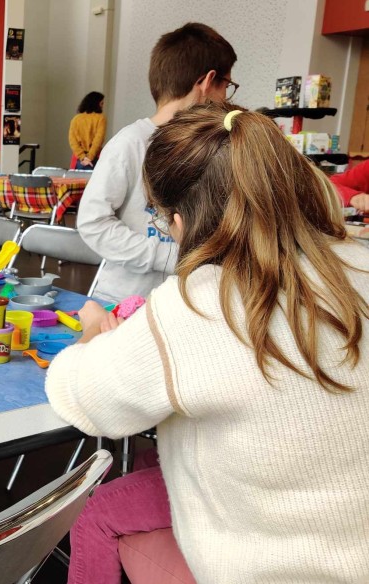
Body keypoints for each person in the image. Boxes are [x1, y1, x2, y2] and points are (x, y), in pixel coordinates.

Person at [47, 104, 369, 583]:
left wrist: (92, 332)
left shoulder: (196, 305)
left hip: (273, 567)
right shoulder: (358, 261)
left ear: (179, 220)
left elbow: (80, 398)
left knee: (100, 508)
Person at [76, 23, 237, 303]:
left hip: (186, 302)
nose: (226, 98)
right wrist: (170, 256)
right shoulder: (130, 143)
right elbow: (93, 223)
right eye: (227, 86)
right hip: (125, 300)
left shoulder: (214, 147)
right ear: (207, 82)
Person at [68, 92, 106, 170]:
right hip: (94, 158)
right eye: (101, 103)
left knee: (76, 181)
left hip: (78, 159)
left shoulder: (76, 119)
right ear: (96, 104)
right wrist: (89, 157)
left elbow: (72, 141)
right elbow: (98, 140)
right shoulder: (101, 118)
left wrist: (82, 157)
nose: (102, 106)